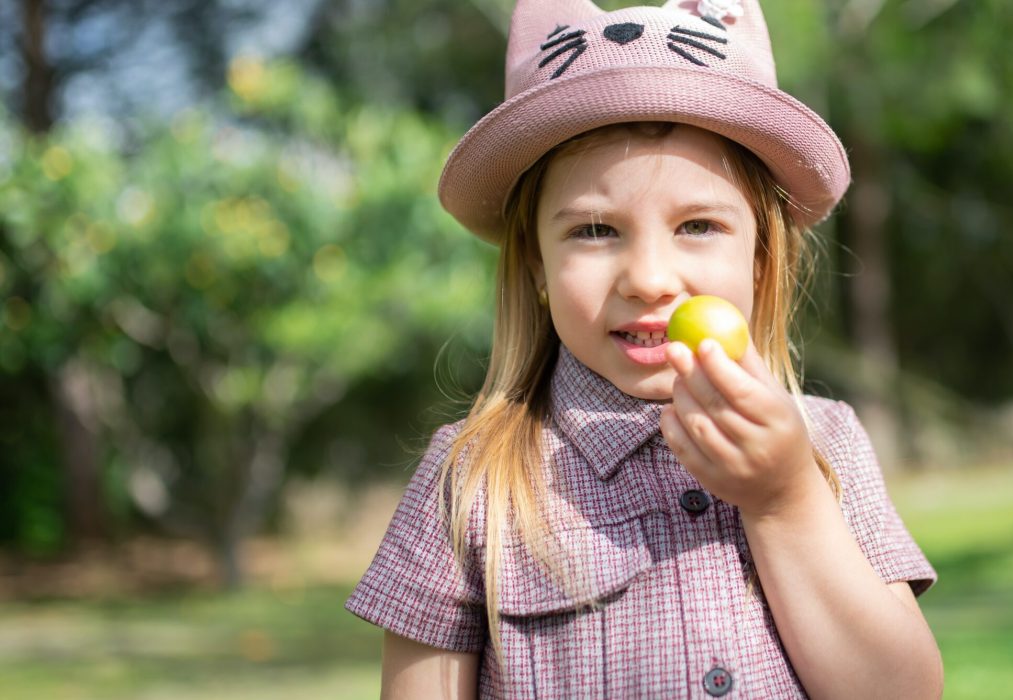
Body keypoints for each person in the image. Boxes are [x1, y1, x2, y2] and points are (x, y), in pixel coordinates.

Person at [346, 0, 942, 697]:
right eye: (596, 231)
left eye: (697, 225)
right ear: (536, 262)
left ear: (760, 256)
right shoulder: (473, 480)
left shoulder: (825, 445)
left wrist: (784, 500)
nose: (650, 279)